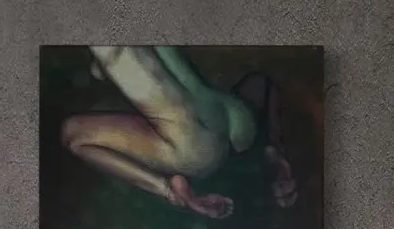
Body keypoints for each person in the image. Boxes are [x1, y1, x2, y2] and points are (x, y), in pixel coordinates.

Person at [62, 46, 298, 218]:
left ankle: (170, 191)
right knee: (258, 82)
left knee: (72, 135)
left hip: (194, 146)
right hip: (235, 117)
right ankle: (273, 152)